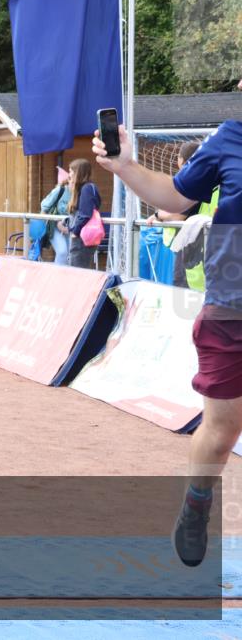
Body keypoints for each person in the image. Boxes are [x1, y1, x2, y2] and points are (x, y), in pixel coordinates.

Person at [91, 76, 242, 568]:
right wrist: (125, 165)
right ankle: (197, 502)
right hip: (231, 307)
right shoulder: (228, 139)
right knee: (221, 434)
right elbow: (176, 198)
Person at [144, 142, 205, 288]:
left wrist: (158, 215)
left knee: (183, 286)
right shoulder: (203, 180)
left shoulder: (193, 182)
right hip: (201, 241)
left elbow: (179, 215)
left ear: (181, 160)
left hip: (192, 243)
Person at [56, 159, 101, 269]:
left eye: (71, 171)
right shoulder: (86, 188)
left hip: (81, 238)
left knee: (77, 270)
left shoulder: (87, 189)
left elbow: (85, 213)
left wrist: (75, 231)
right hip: (81, 237)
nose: (69, 174)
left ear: (78, 172)